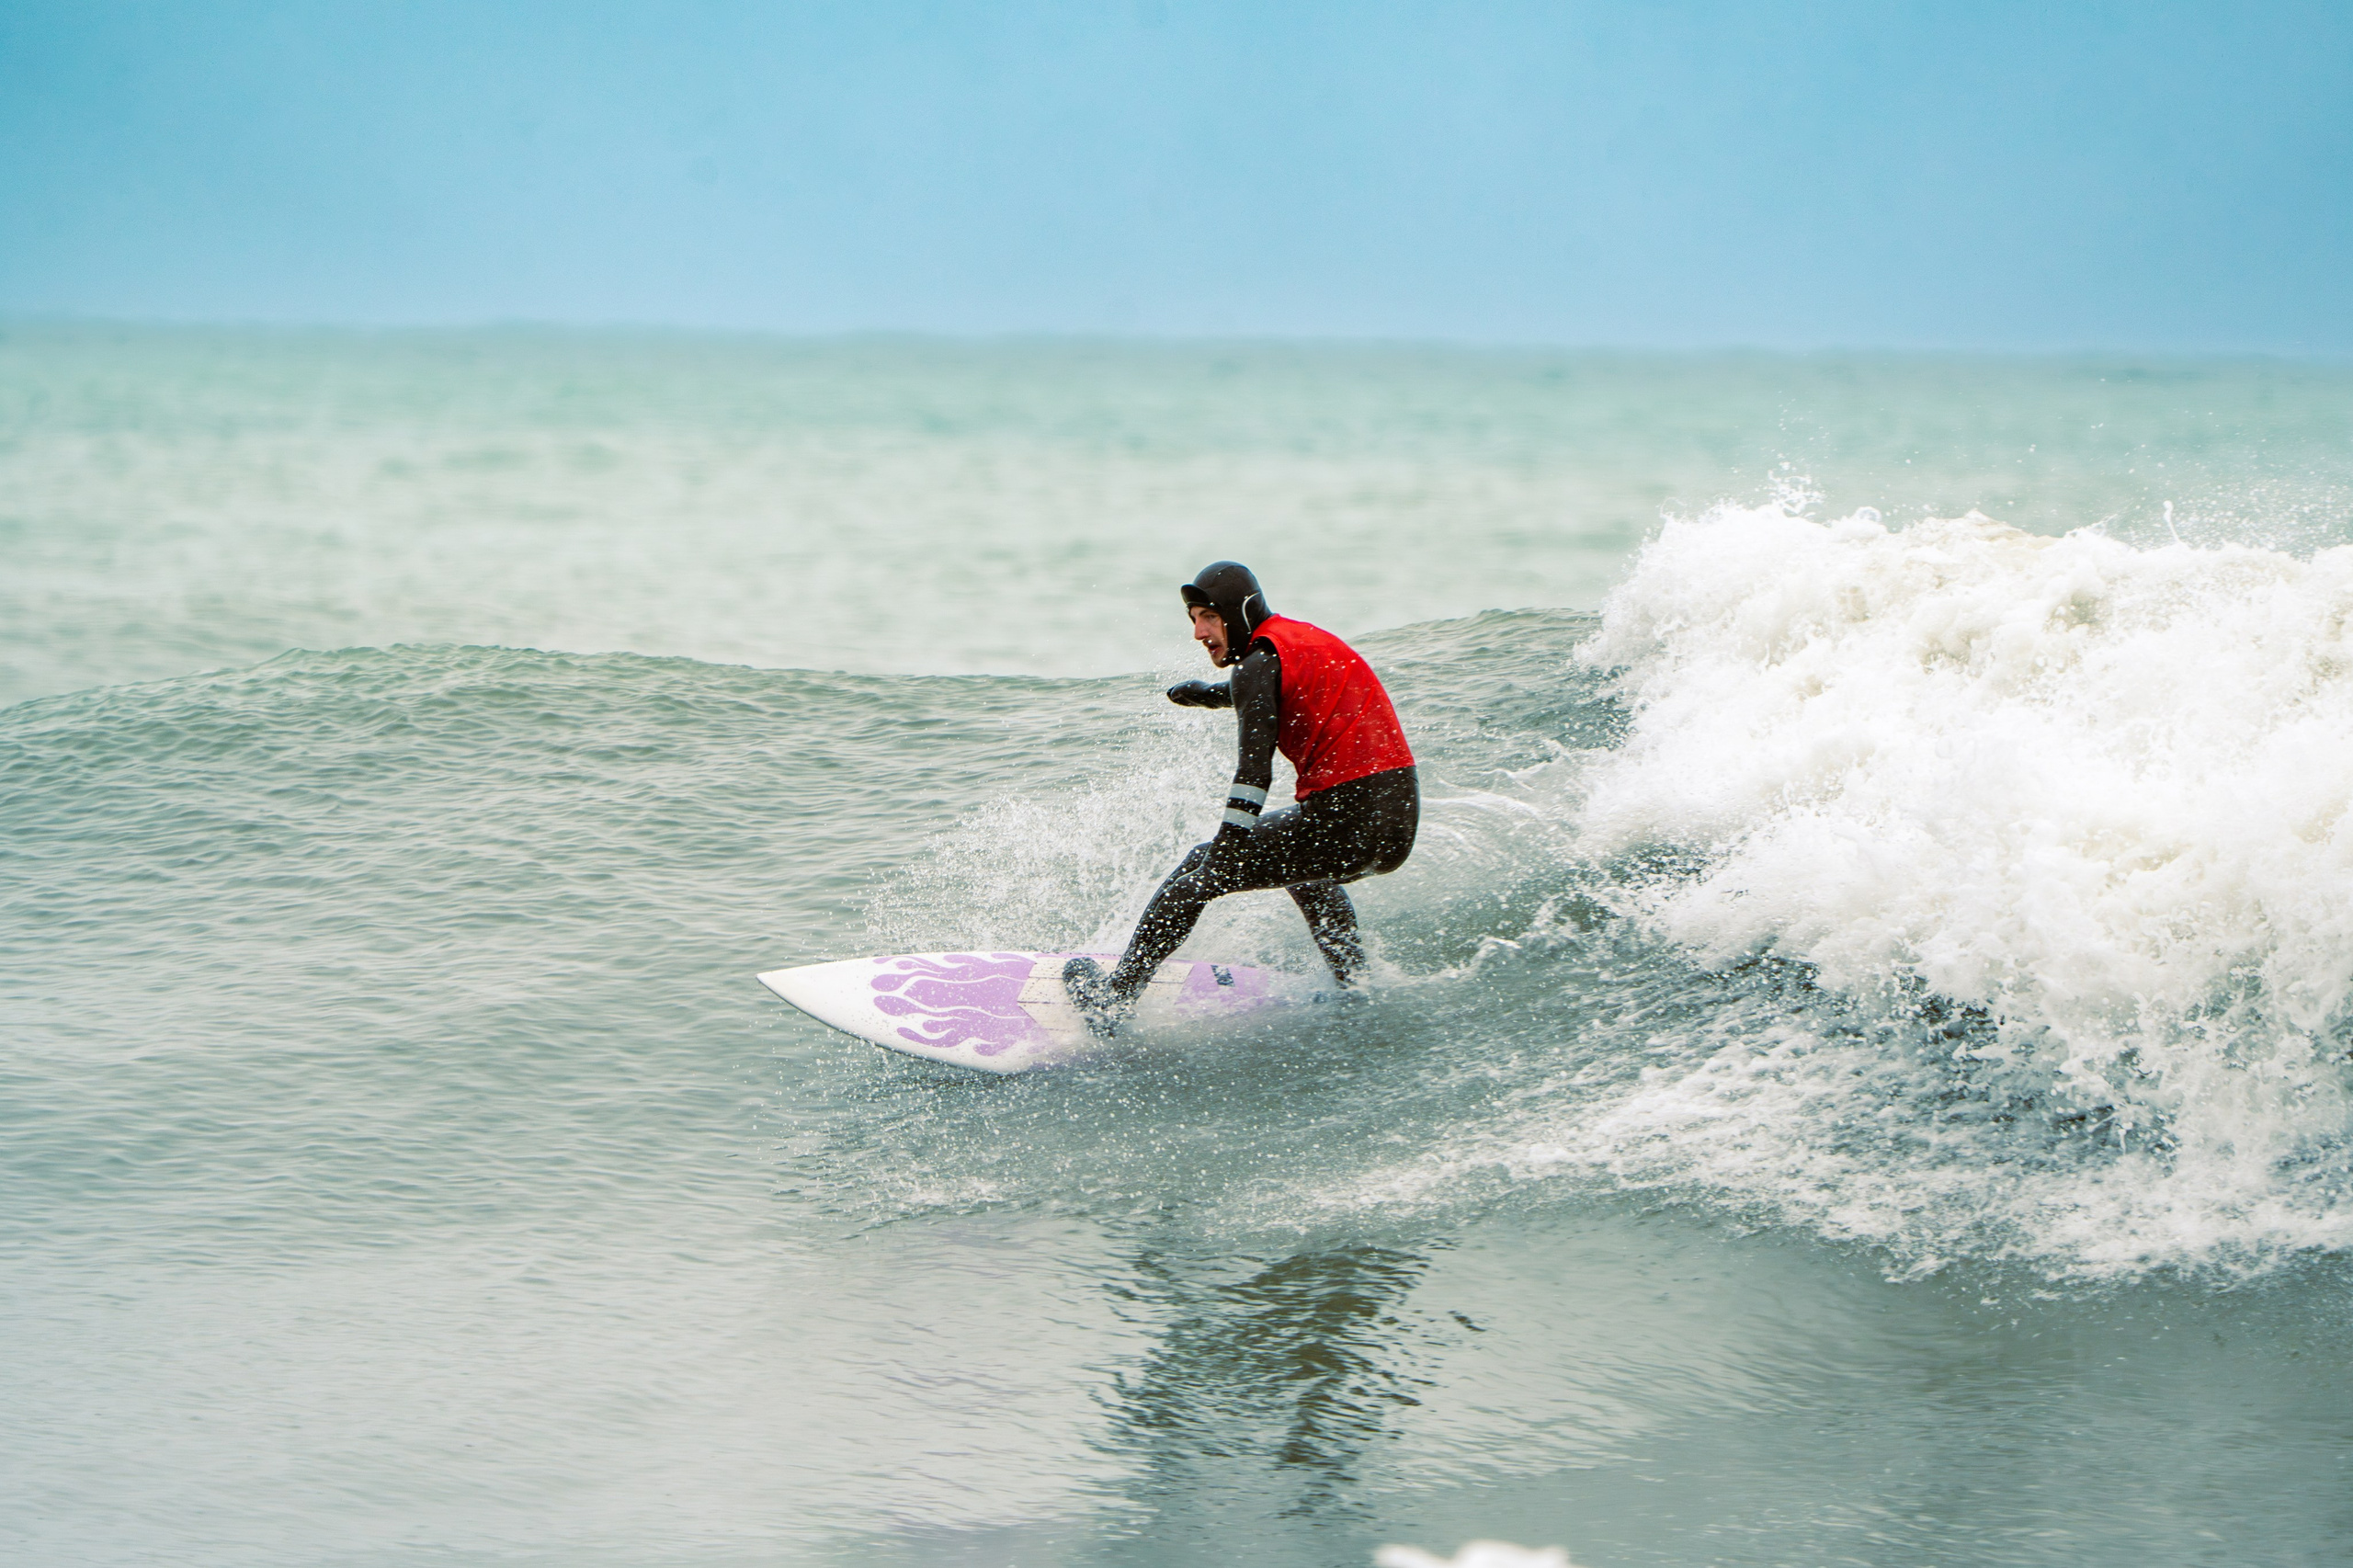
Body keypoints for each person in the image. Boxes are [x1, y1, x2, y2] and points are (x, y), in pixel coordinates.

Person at [1063, 562, 1418, 1032]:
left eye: (1207, 617)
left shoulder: (1258, 664)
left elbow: (1254, 771)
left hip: (1348, 819)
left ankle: (1114, 1001)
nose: (1198, 632)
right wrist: (1209, 695)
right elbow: (1268, 690)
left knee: (1198, 869)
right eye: (1192, 620)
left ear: (1236, 613)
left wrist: (1227, 851)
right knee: (1303, 868)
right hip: (1395, 820)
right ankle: (1355, 985)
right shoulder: (1297, 640)